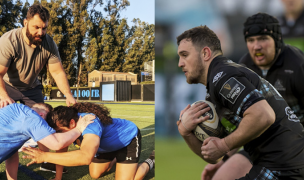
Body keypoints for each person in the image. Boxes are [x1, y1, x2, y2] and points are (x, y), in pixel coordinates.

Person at [176, 25, 304, 179]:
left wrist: (223, 145)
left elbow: (264, 115)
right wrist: (186, 132)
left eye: (185, 55)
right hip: (284, 163)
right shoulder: (218, 82)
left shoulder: (222, 77)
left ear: (205, 53)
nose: (180, 63)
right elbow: (215, 155)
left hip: (283, 166)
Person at [0, 3, 77, 172]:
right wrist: (4, 95)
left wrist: (68, 95)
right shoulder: (9, 40)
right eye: (36, 27)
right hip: (6, 86)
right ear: (25, 22)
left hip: (31, 88)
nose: (40, 32)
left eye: (44, 28)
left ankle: (47, 160)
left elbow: (57, 72)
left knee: (45, 121)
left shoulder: (48, 43)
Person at [22, 102, 155, 180]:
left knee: (134, 178)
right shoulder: (65, 122)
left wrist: (44, 156)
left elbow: (85, 157)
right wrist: (58, 178)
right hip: (104, 147)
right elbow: (61, 147)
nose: (60, 135)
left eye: (60, 131)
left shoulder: (90, 123)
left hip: (127, 139)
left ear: (73, 123)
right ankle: (116, 158)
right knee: (95, 174)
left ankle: (151, 160)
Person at [0, 102, 94, 180]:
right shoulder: (33, 118)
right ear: (41, 115)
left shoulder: (15, 108)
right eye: (46, 125)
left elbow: (11, 152)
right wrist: (78, 129)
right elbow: (56, 144)